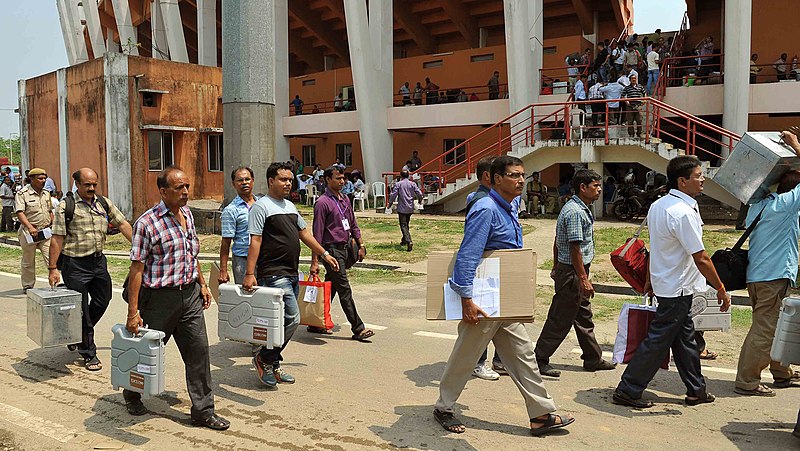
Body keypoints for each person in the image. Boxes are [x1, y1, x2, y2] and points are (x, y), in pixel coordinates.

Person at [433, 155, 574, 436]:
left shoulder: (509, 206)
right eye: (513, 175)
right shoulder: (485, 208)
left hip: (504, 296)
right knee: (466, 355)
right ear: (496, 179)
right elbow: (468, 254)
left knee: (523, 356)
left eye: (522, 175)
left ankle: (541, 414)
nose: (521, 180)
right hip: (484, 299)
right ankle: (443, 407)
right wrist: (466, 299)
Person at [613, 155, 730, 408]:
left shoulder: (660, 205)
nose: (703, 180)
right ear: (683, 181)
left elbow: (660, 247)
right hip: (677, 288)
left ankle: (696, 391)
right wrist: (720, 288)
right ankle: (628, 389)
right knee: (658, 341)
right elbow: (701, 257)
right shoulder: (681, 212)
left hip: (671, 284)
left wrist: (650, 279)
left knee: (685, 340)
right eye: (698, 176)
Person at [124, 166, 229, 430]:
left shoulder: (188, 215)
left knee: (198, 352)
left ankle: (203, 411)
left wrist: (203, 284)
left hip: (190, 296)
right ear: (163, 191)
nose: (185, 192)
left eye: (187, 187)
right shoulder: (146, 223)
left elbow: (190, 256)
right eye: (179, 188)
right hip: (159, 300)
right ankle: (132, 392)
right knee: (145, 352)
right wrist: (133, 312)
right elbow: (136, 269)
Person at [242, 162, 339, 389]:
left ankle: (272, 362)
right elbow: (255, 240)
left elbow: (304, 233)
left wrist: (323, 254)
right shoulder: (261, 207)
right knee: (292, 319)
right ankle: (264, 358)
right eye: (283, 179)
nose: (288, 183)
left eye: (290, 179)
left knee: (279, 323)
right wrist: (249, 273)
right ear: (270, 181)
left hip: (292, 272)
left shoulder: (290, 206)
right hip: (273, 274)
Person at [734, 130, 800, 397]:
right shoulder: (786, 206)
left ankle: (781, 372)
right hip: (772, 277)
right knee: (766, 328)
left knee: (775, 325)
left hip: (759, 275)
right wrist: (797, 146)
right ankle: (747, 380)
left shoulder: (759, 204)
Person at [49, 168, 133, 371]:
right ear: (77, 184)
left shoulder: (103, 203)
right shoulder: (65, 207)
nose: (92, 188)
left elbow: (122, 224)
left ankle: (77, 334)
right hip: (74, 264)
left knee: (103, 300)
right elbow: (57, 238)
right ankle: (88, 353)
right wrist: (53, 268)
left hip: (97, 262)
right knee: (83, 310)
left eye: (94, 184)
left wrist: (139, 248)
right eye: (87, 185)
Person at [535, 169, 615, 377]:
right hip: (572, 273)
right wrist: (583, 278)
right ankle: (539, 358)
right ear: (583, 187)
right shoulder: (575, 212)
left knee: (583, 316)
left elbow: (557, 240)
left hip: (573, 270)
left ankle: (592, 358)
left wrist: (555, 266)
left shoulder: (580, 208)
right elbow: (574, 248)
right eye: (595, 186)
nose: (599, 190)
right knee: (560, 318)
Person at [311, 166, 375, 341]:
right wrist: (315, 261)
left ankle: (316, 322)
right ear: (327, 180)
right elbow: (316, 235)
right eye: (338, 178)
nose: (342, 181)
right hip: (331, 252)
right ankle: (358, 328)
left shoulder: (344, 199)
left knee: (331, 286)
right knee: (344, 288)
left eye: (343, 178)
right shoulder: (322, 203)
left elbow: (353, 224)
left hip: (347, 249)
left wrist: (360, 244)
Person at [464, 156, 504, 380]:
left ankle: (499, 359)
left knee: (500, 318)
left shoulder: (498, 198)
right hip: (486, 267)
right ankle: (478, 362)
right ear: (489, 176)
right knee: (484, 317)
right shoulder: (481, 201)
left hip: (499, 266)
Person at [15, 167, 53, 293]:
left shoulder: (46, 193)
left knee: (51, 258)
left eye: (44, 178)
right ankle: (28, 286)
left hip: (45, 232)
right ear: (32, 179)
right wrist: (30, 227)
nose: (43, 181)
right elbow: (20, 212)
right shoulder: (22, 194)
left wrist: (52, 222)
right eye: (40, 178)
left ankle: (55, 282)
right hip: (29, 233)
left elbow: (49, 209)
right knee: (28, 261)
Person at [219, 167, 259, 285]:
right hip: (243, 260)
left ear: (253, 180)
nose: (244, 182)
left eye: (247, 179)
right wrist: (223, 270)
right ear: (233, 184)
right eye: (240, 180)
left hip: (263, 259)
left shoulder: (261, 204)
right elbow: (226, 242)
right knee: (246, 298)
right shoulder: (231, 210)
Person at [387, 169, 423, 252]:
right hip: (410, 208)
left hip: (402, 208)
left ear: (401, 176)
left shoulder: (398, 184)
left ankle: (409, 241)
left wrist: (389, 204)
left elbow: (393, 195)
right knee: (406, 224)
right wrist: (420, 201)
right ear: (408, 176)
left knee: (403, 225)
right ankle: (403, 240)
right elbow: (419, 193)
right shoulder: (412, 184)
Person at [622, 73, 647, 137]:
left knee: (639, 121)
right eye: (632, 79)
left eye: (635, 78)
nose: (634, 80)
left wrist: (644, 100)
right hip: (630, 106)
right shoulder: (627, 88)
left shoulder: (640, 86)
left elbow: (644, 93)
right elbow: (622, 96)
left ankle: (639, 134)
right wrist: (626, 102)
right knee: (630, 121)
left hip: (638, 106)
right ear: (630, 80)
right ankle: (631, 134)